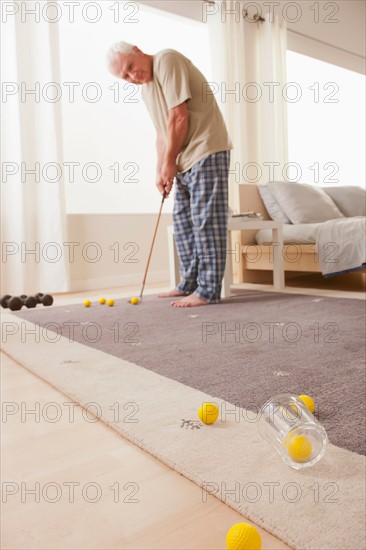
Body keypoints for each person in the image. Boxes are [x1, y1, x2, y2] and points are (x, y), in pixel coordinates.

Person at [107, 43, 232, 307]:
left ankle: (208, 291)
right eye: (125, 77)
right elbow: (162, 133)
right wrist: (161, 169)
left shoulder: (166, 60)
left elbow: (179, 117)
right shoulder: (146, 91)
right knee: (184, 223)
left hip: (206, 148)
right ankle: (189, 284)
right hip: (183, 159)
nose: (132, 76)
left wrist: (169, 162)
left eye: (131, 67)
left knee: (206, 221)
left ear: (137, 50)